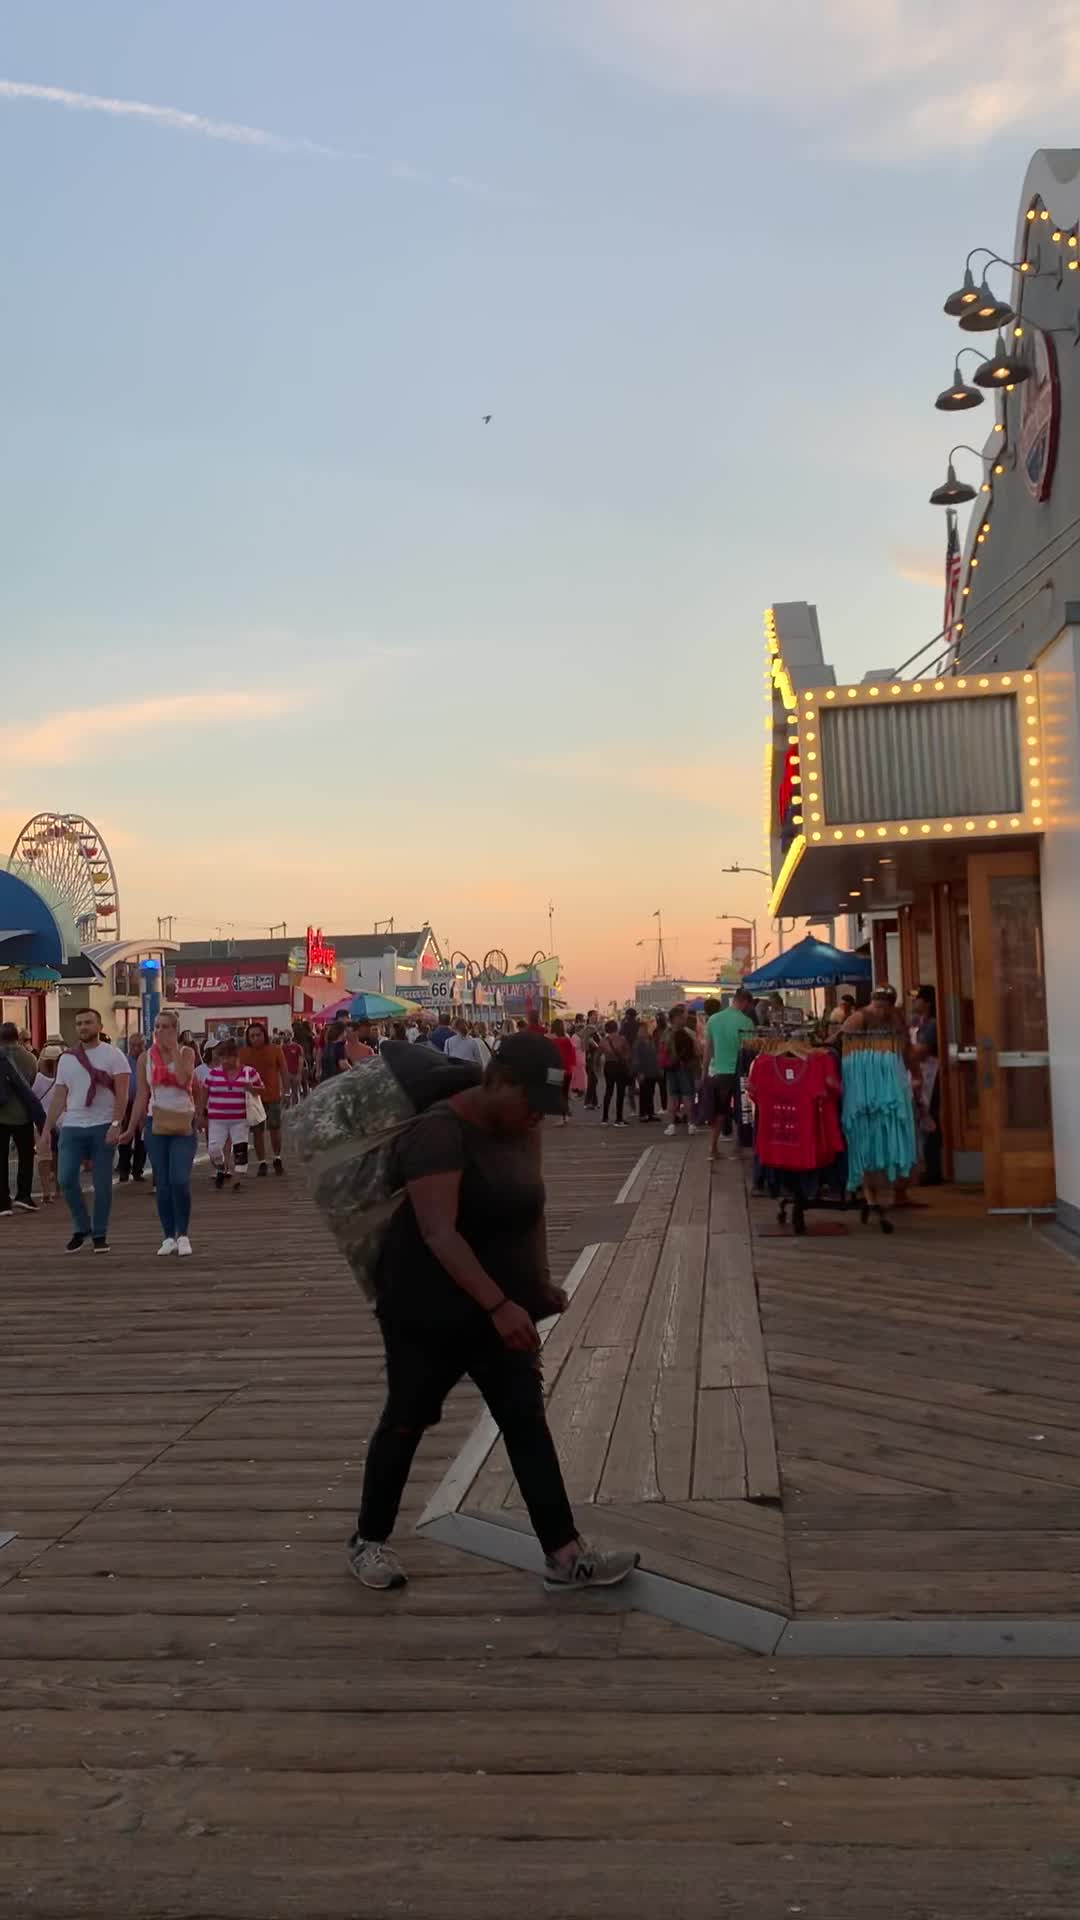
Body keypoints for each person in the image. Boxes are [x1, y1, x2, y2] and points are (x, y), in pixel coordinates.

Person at [348, 1031, 639, 1593]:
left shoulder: (520, 1128)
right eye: (531, 1102)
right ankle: (368, 1539)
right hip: (423, 1306)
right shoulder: (438, 1132)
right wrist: (501, 1304)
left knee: (524, 1417)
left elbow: (531, 1204)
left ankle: (564, 1552)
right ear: (498, 1082)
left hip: (498, 1300)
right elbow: (439, 1233)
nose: (538, 1117)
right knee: (408, 1418)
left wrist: (537, 1284)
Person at [42, 1008, 129, 1252]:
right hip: (72, 1125)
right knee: (65, 1178)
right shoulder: (67, 1058)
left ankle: (99, 1233)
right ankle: (82, 1227)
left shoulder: (114, 1056)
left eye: (88, 1022)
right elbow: (60, 1096)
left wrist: (116, 1124)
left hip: (103, 1125)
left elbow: (122, 1094)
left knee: (102, 1184)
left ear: (99, 1026)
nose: (83, 1027)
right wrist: (47, 1129)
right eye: (79, 1023)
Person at [123, 1011, 198, 1256]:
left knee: (180, 1180)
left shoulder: (186, 1053)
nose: (161, 1030)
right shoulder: (146, 1058)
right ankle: (168, 1236)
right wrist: (130, 1126)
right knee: (162, 1183)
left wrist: (172, 1048)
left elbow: (184, 1078)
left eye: (166, 1026)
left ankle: (183, 1233)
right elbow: (142, 1095)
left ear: (176, 1029)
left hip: (183, 1123)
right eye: (157, 1026)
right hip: (156, 1123)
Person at [204, 1039, 264, 1189]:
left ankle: (237, 1179)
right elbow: (205, 1093)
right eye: (221, 1058)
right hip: (217, 1118)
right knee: (213, 1148)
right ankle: (220, 1167)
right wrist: (200, 1113)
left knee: (240, 1148)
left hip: (240, 1118)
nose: (223, 1061)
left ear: (235, 1057)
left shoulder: (249, 1072)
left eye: (226, 1057)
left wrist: (250, 1087)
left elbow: (262, 1090)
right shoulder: (213, 1074)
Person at [703, 989, 756, 1161]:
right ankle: (742, 1146)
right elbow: (751, 1050)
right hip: (741, 1073)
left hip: (720, 1072)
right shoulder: (747, 1022)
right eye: (748, 1005)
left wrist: (704, 1072)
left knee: (719, 1111)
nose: (748, 1008)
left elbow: (708, 1049)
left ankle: (712, 1148)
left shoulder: (713, 1019)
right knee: (744, 1111)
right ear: (744, 1002)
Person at [0, 1020, 40, 1216]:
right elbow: (31, 1082)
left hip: (1, 1116)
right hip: (24, 1115)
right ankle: (23, 1195)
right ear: (18, 1037)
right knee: (26, 1156)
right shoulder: (30, 1058)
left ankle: (2, 1202)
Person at [239, 1022, 287, 1176]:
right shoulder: (244, 1053)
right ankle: (262, 1162)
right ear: (248, 1038)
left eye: (258, 1035)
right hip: (253, 1098)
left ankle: (277, 1158)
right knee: (257, 1132)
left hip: (273, 1095)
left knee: (275, 1128)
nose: (255, 1038)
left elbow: (284, 1071)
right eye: (252, 1036)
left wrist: (287, 1092)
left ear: (264, 1035)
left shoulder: (275, 1050)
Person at [911, 985, 942, 1186]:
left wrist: (904, 1050)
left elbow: (920, 1051)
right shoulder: (916, 1023)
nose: (914, 1002)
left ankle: (933, 1169)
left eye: (918, 999)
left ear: (927, 1002)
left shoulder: (931, 1025)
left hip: (931, 1076)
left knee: (929, 1120)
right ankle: (923, 1166)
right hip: (918, 1076)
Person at [29, 1042, 63, 1205]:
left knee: (43, 1158)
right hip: (60, 1122)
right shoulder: (62, 1079)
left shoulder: (37, 1078)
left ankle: (46, 1192)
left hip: (41, 1123)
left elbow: (32, 1101)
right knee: (58, 1157)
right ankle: (58, 1189)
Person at [117, 1031, 148, 1184]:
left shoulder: (148, 1060)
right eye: (133, 1045)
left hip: (144, 1104)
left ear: (144, 1045)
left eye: (139, 1045)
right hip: (127, 1104)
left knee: (142, 1139)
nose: (136, 1048)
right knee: (124, 1139)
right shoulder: (123, 1061)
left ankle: (138, 1170)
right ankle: (123, 1170)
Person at [663, 1005, 699, 1137]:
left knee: (672, 1097)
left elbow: (662, 1051)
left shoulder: (666, 1033)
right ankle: (691, 1125)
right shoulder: (688, 1033)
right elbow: (697, 1051)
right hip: (685, 1067)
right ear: (677, 1018)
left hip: (671, 1068)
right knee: (687, 1096)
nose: (685, 1019)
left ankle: (671, 1126)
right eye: (683, 1017)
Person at [600, 1020, 631, 1127]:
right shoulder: (622, 1039)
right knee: (620, 1093)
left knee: (608, 1092)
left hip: (608, 1067)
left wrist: (596, 1069)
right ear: (616, 1028)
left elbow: (597, 1056)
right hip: (619, 1067)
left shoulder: (603, 1041)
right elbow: (628, 1055)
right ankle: (618, 1119)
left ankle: (604, 1118)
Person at [548, 1018, 576, 1124]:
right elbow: (572, 1056)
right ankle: (566, 1114)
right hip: (567, 1070)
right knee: (564, 1094)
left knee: (557, 1095)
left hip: (556, 1070)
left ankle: (562, 1116)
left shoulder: (552, 1041)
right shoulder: (567, 1040)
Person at [632, 1019, 660, 1124]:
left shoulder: (650, 1040)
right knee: (644, 1093)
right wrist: (639, 1072)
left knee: (651, 1092)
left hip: (652, 1070)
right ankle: (643, 1114)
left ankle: (650, 1113)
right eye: (641, 1029)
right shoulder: (638, 1043)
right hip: (643, 1071)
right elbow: (636, 1058)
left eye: (645, 1029)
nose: (643, 1031)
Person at [282, 1031, 305, 1105]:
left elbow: (301, 1061)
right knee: (286, 1092)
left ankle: (295, 1107)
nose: (284, 1037)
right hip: (286, 1073)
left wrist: (299, 1074)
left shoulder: (297, 1047)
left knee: (295, 1092)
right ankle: (286, 1107)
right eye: (284, 1035)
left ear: (290, 1036)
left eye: (286, 1035)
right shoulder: (282, 1048)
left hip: (295, 1073)